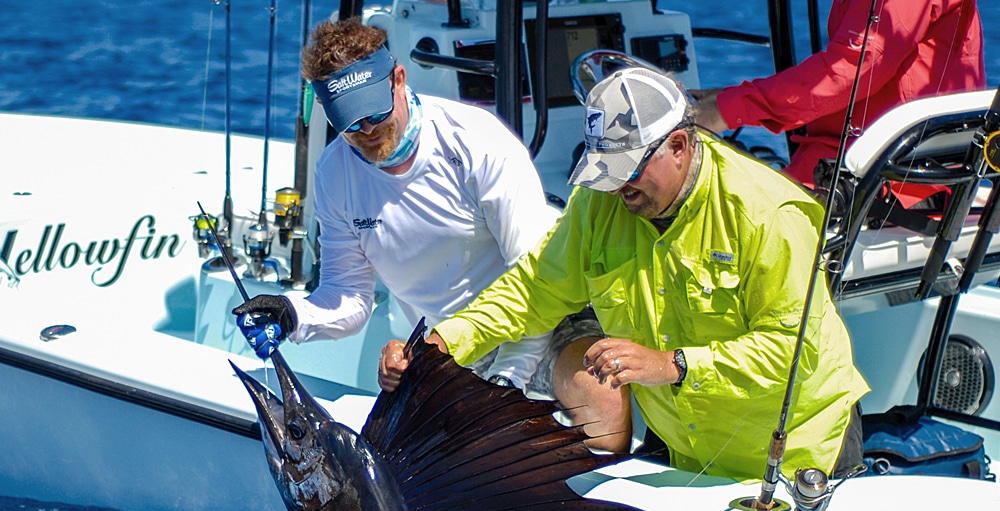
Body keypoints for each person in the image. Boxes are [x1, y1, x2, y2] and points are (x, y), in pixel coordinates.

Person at [381, 67, 871, 481]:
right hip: (686, 449)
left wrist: (671, 365)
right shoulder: (600, 202)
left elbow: (793, 350)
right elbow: (535, 289)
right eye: (605, 172)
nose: (617, 189)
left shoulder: (769, 214)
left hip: (800, 454)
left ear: (678, 145)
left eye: (628, 170)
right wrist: (443, 343)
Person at [232, 18, 630, 450]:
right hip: (452, 344)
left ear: (398, 79)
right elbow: (349, 299)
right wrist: (294, 316)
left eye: (376, 112)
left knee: (603, 412)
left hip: (544, 316)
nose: (367, 130)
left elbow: (539, 284)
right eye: (350, 123)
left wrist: (504, 385)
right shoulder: (334, 174)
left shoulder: (475, 140)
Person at [693, 0, 985, 188]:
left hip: (878, 184)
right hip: (877, 169)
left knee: (703, 201)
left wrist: (726, 109)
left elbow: (851, 70)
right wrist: (729, 99)